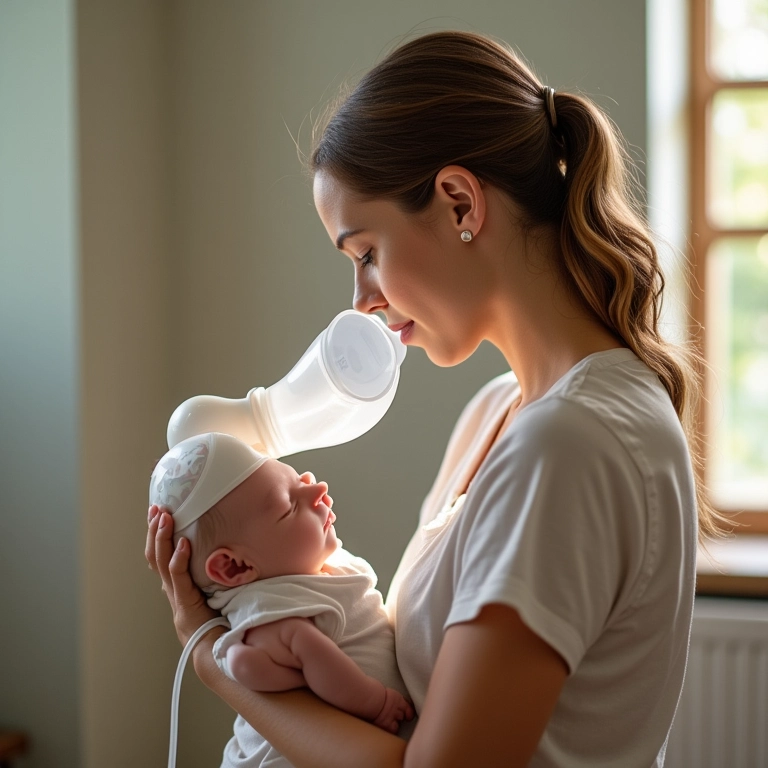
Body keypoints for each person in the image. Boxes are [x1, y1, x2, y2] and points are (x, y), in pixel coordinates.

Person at [147, 30, 723, 767]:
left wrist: (209, 655)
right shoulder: (497, 413)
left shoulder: (569, 444)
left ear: (458, 202)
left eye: (367, 254)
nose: (364, 302)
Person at [149, 432, 414, 767]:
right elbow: (305, 659)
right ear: (234, 567)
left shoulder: (297, 571)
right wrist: (376, 702)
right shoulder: (270, 609)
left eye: (298, 478)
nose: (318, 489)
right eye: (290, 504)